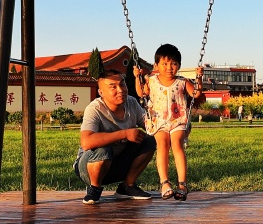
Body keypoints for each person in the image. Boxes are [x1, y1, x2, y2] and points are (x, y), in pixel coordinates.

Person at [75, 70, 156, 204]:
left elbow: (150, 126)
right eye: (113, 87)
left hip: (117, 164)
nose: (120, 90)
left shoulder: (131, 103)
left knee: (148, 141)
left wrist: (174, 124)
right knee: (102, 148)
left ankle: (127, 187)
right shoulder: (95, 109)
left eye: (122, 85)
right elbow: (86, 142)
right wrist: (125, 134)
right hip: (89, 168)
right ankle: (94, 189)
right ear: (101, 92)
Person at [134, 43, 203, 200]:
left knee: (177, 145)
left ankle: (182, 184)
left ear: (178, 65)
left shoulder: (182, 81)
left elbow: (196, 93)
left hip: (178, 120)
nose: (169, 67)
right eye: (164, 64)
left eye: (173, 64)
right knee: (163, 146)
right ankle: (164, 183)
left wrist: (199, 77)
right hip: (158, 121)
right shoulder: (151, 80)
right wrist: (136, 77)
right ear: (156, 65)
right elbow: (141, 92)